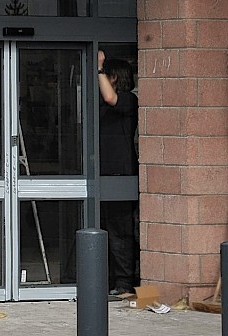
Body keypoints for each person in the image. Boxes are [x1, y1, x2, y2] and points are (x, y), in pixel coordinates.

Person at [97, 49, 140, 296]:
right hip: (101, 173)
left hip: (120, 175)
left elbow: (111, 98)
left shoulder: (128, 100)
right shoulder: (102, 105)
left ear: (115, 76)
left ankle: (124, 283)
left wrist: (99, 67)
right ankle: (110, 280)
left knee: (120, 232)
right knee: (104, 230)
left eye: (105, 75)